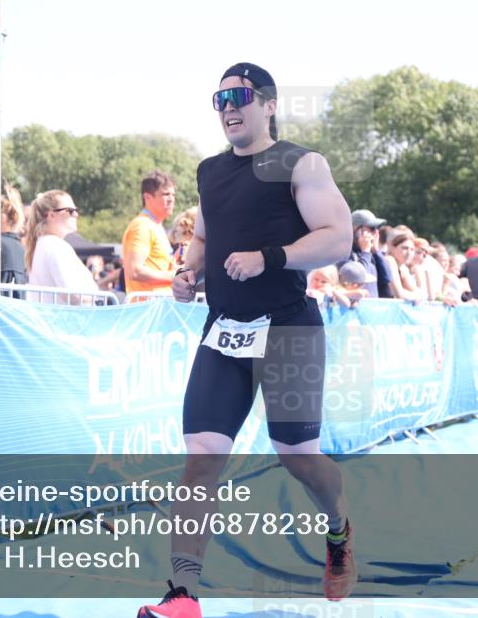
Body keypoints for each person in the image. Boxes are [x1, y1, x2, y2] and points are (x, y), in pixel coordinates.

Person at [139, 63, 356, 618]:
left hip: (288, 330)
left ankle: (338, 528)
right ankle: (182, 595)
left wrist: (270, 258)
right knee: (201, 460)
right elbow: (204, 238)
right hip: (225, 331)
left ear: (269, 104)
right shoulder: (210, 171)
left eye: (239, 96)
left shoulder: (301, 163)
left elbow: (338, 239)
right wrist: (189, 273)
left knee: (299, 460)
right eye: (220, 99)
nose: (228, 107)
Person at [23, 190, 98, 304]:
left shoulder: (43, 244)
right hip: (66, 314)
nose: (76, 215)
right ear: (51, 215)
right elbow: (72, 295)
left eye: (76, 210)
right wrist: (96, 296)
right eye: (70, 211)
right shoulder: (56, 246)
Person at [122, 170, 177, 296]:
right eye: (166, 194)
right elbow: (134, 271)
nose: (171, 199)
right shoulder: (142, 226)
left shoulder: (155, 225)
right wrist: (173, 276)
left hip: (160, 303)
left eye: (173, 195)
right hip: (148, 305)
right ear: (147, 197)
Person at [338, 209, 392, 299]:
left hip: (371, 306)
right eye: (372, 228)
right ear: (356, 230)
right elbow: (358, 279)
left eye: (377, 229)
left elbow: (387, 278)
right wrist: (366, 251)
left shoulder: (371, 254)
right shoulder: (344, 253)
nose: (376, 232)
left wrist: (376, 251)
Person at [385, 232, 425, 301]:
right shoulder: (389, 260)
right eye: (405, 248)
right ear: (393, 248)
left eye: (412, 249)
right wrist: (416, 297)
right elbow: (398, 293)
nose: (409, 253)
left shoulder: (402, 268)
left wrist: (417, 296)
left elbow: (418, 293)